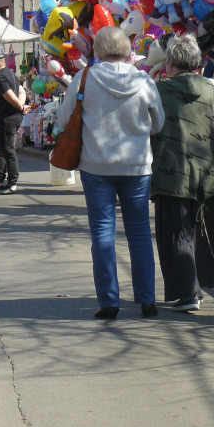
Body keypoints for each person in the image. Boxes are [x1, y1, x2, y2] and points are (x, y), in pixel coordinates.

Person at [55, 26, 165, 320]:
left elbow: (65, 117)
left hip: (96, 166)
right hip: (137, 167)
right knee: (140, 233)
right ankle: (147, 299)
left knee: (103, 234)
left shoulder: (85, 78)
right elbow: (158, 124)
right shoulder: (144, 81)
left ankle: (109, 301)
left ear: (98, 51)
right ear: (128, 50)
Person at [152, 34, 214, 312]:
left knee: (176, 233)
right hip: (209, 173)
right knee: (204, 232)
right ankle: (199, 287)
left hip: (170, 172)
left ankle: (188, 293)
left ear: (169, 62)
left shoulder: (158, 90)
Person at [0, 47, 31, 194]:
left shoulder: (0, 76)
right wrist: (22, 105)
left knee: (7, 150)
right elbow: (21, 91)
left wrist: (20, 107)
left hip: (6, 119)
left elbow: (10, 95)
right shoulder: (9, 73)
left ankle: (12, 184)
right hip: (2, 119)